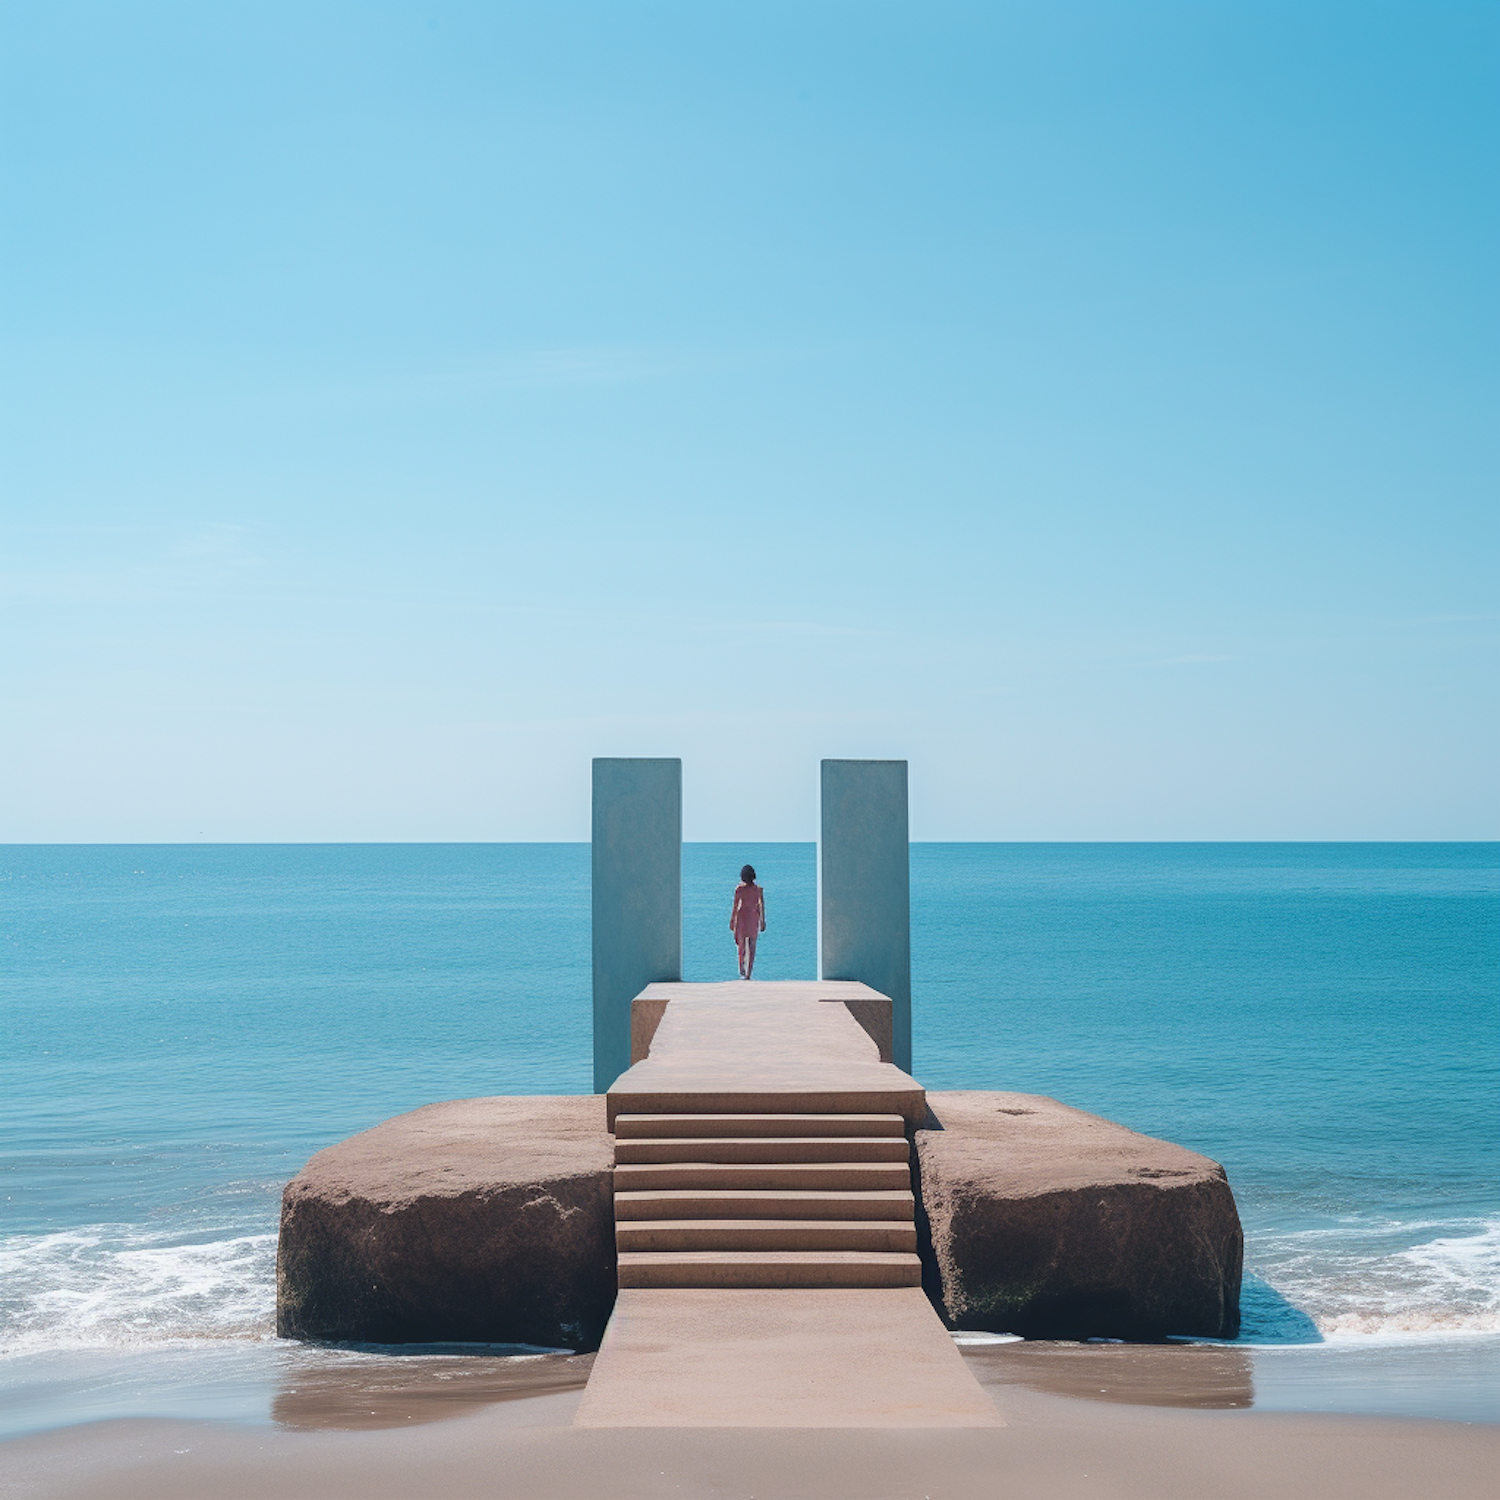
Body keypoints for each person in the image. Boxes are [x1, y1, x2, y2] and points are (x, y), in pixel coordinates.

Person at [729, 864, 766, 979]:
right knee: (752, 945)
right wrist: (762, 920)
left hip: (742, 916)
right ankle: (748, 973)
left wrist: (732, 920)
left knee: (741, 945)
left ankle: (742, 968)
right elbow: (761, 906)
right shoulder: (758, 890)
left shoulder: (739, 889)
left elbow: (735, 906)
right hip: (753, 916)